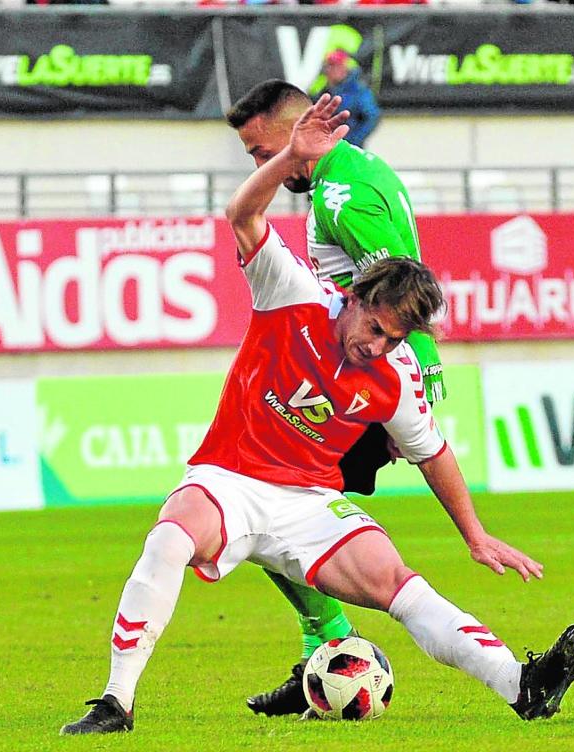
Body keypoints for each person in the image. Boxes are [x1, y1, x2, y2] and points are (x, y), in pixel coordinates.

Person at [60, 95, 574, 735]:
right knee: (170, 536)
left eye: (394, 339)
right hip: (229, 480)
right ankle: (117, 702)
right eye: (373, 327)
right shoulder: (294, 294)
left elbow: (433, 452)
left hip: (308, 503)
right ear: (355, 295)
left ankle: (522, 685)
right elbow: (241, 213)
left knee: (403, 586)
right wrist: (287, 159)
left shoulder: (390, 379)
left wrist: (474, 536)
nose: (377, 346)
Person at [226, 77, 445, 715]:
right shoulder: (347, 176)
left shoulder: (343, 198)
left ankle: (332, 646)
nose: (260, 166)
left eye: (261, 153)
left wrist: (420, 381)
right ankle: (325, 647)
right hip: (369, 380)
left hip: (376, 383)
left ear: (295, 132)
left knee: (266, 502)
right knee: (270, 508)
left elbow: (408, 294)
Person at [320, 50, 380, 148]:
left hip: (348, 148)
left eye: (335, 66)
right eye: (328, 66)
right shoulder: (325, 91)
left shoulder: (358, 90)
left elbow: (372, 116)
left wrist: (354, 141)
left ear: (344, 68)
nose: (330, 70)